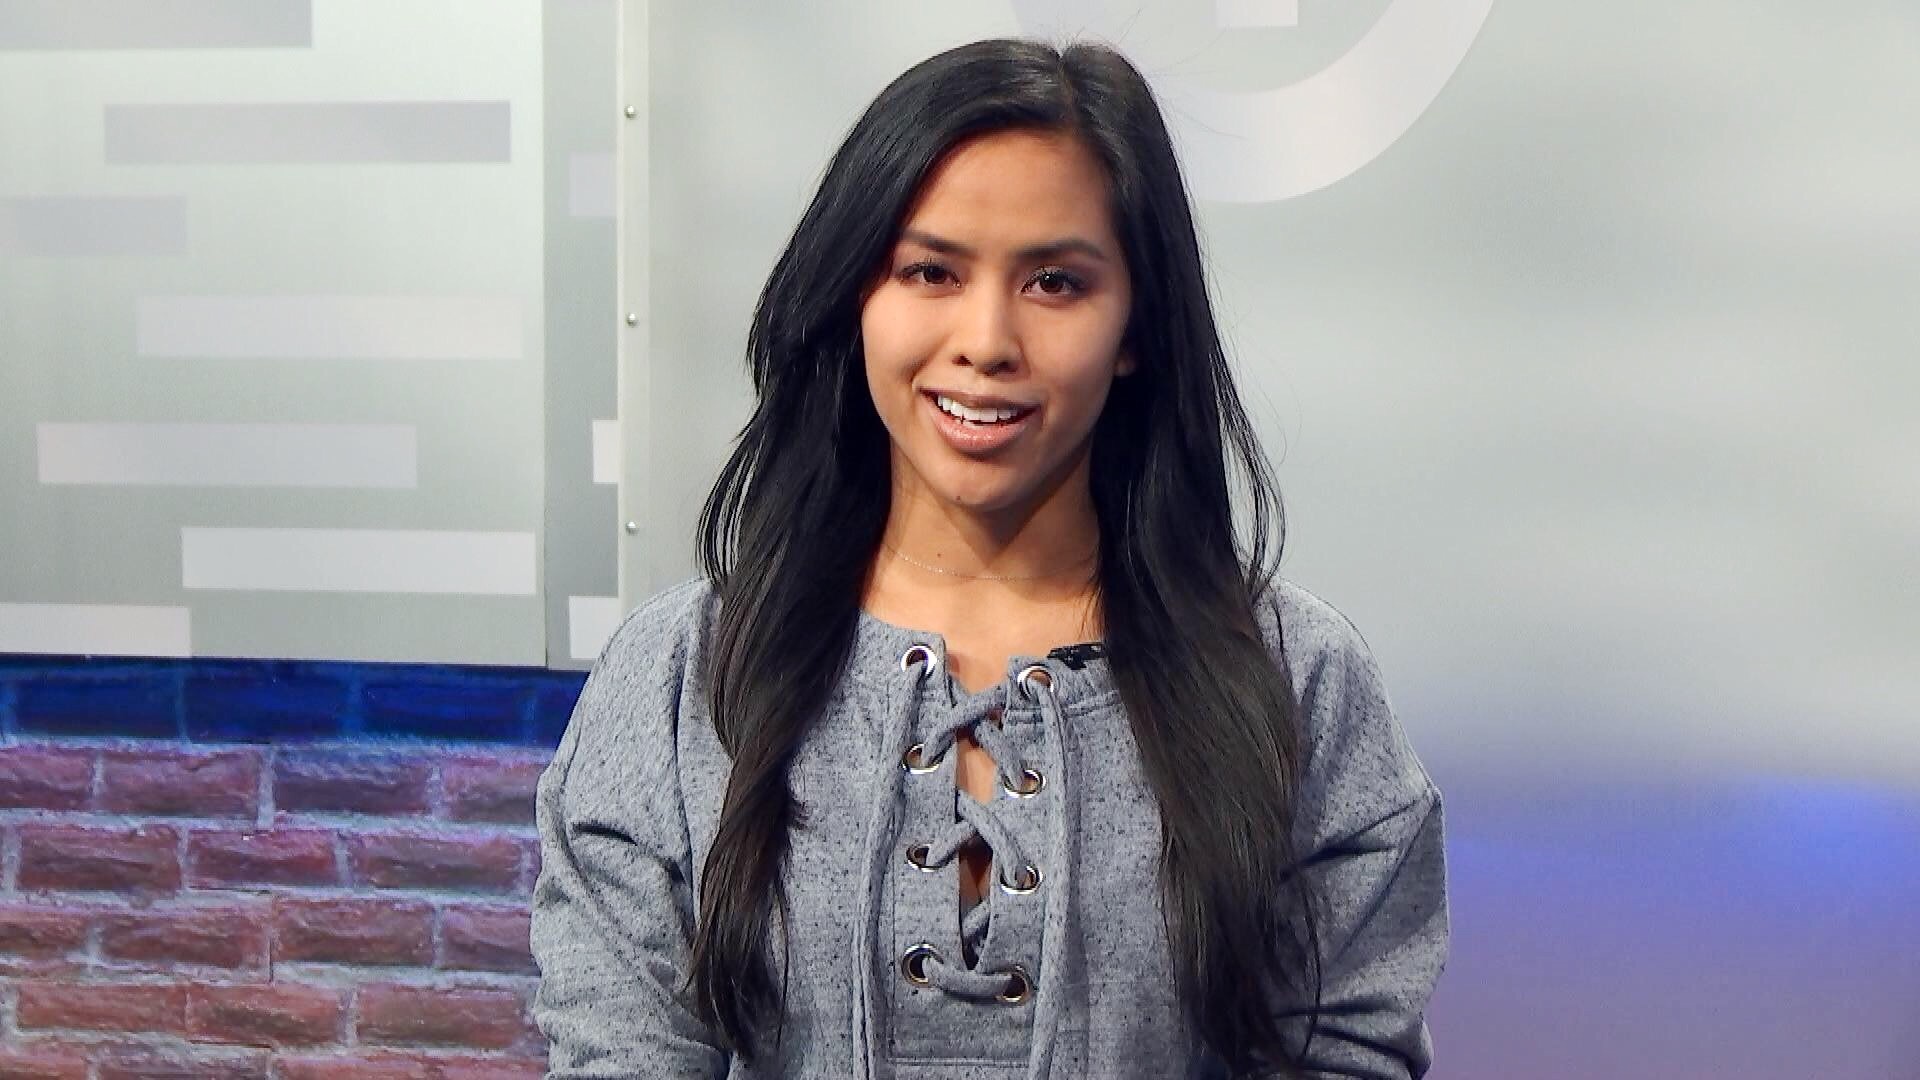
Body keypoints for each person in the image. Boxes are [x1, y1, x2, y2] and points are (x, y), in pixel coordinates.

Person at [531, 37, 1447, 1080]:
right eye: (930, 271)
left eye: (1055, 282)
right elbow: (621, 1046)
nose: (986, 340)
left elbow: (1345, 1049)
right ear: (855, 297)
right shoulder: (681, 675)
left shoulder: (1296, 679)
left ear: (1135, 326)